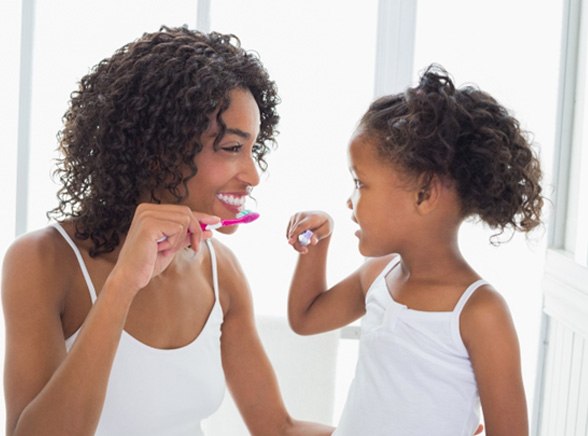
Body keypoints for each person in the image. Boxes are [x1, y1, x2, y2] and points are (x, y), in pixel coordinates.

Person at [2, 26, 334, 436]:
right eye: (232, 148)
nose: (253, 176)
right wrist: (124, 283)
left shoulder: (221, 271)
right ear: (160, 150)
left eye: (253, 150)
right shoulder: (43, 260)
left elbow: (278, 429)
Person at [286, 64, 542, 436]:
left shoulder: (480, 313)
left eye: (360, 183)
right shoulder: (378, 275)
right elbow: (306, 319)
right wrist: (317, 245)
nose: (349, 200)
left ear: (424, 194)